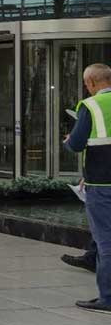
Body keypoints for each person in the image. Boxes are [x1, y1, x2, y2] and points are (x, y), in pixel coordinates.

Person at [66, 64, 111, 312]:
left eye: (86, 84)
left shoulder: (90, 106)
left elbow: (76, 144)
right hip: (99, 178)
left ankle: (108, 297)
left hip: (102, 185)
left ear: (92, 82)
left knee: (105, 242)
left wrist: (68, 142)